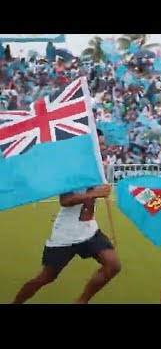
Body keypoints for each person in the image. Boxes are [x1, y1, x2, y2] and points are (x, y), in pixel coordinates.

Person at [12, 130, 121, 304]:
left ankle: (82, 301)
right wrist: (96, 193)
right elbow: (65, 200)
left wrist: (99, 192)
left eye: (103, 143)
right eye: (100, 144)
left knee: (113, 265)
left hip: (88, 229)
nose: (104, 146)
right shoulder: (71, 169)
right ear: (90, 146)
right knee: (47, 276)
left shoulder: (96, 166)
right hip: (67, 233)